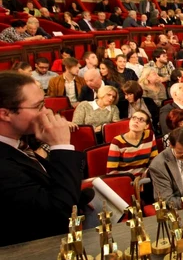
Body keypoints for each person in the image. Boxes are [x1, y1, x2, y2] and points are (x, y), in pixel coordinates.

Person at [0, 72, 87, 246]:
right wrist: (61, 146)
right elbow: (58, 217)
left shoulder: (22, 140)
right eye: (38, 106)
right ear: (5, 114)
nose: (46, 112)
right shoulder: (3, 167)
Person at [106, 110, 157, 178]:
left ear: (146, 126)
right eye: (134, 118)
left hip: (145, 178)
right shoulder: (117, 141)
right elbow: (111, 172)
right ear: (129, 121)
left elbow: (154, 160)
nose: (136, 121)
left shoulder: (149, 135)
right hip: (125, 179)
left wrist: (148, 172)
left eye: (141, 120)